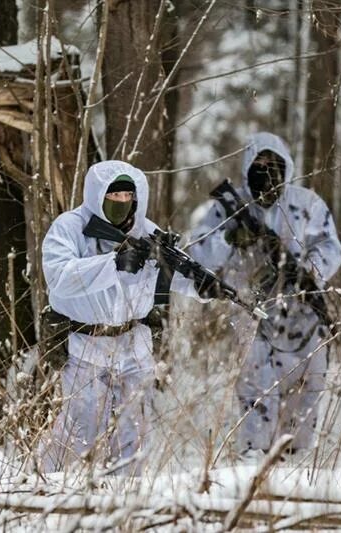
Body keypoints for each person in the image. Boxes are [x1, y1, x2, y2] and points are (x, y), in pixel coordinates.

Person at [39, 160, 212, 474]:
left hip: (133, 344)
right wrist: (112, 263)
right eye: (113, 195)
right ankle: (50, 487)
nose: (121, 202)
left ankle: (125, 500)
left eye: (126, 196)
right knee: (80, 429)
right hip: (84, 342)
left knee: (134, 431)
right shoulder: (70, 227)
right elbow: (58, 277)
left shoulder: (147, 231)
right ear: (97, 195)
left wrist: (205, 286)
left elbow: (174, 273)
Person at [189, 132, 341, 457]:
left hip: (303, 320)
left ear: (286, 166)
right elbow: (199, 256)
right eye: (258, 164)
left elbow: (332, 248)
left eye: (273, 164)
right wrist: (229, 238)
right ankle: (252, 466)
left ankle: (293, 469)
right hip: (251, 315)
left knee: (306, 394)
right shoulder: (227, 208)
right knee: (257, 396)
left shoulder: (306, 204)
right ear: (247, 167)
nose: (266, 171)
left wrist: (307, 273)